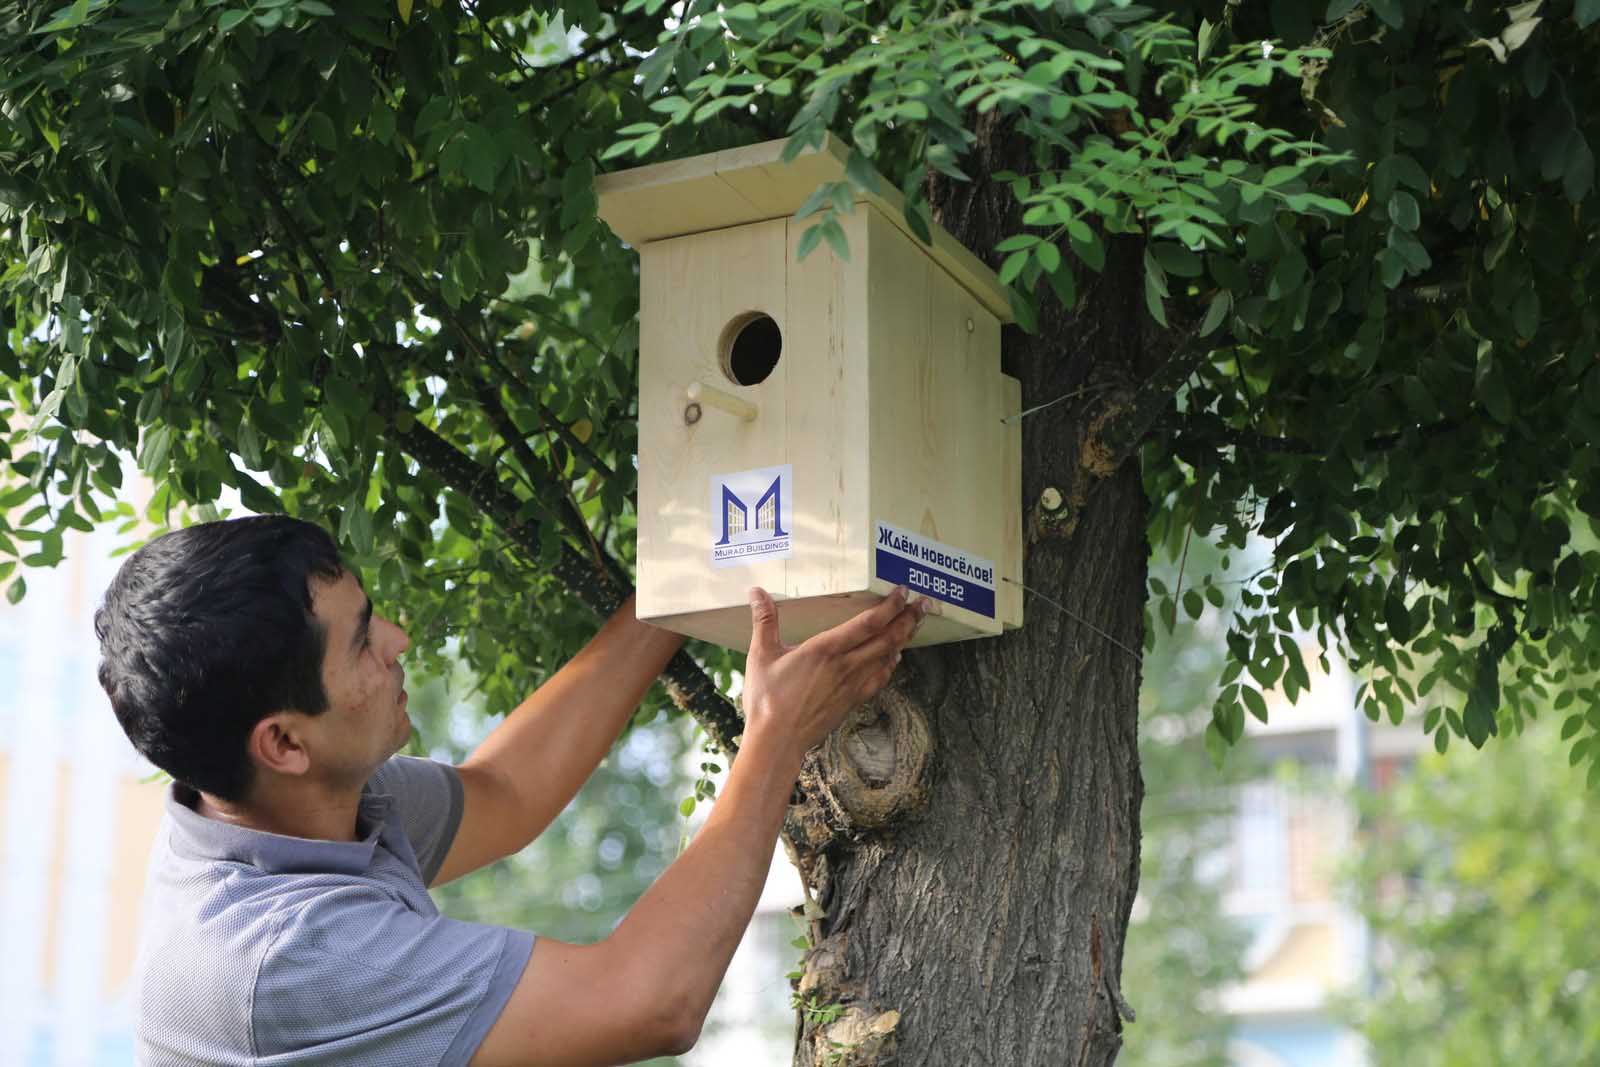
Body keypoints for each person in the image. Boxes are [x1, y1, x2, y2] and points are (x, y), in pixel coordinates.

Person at [94, 514, 924, 1066]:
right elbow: (652, 999)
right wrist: (774, 736)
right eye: (359, 644)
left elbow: (505, 790)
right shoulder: (275, 962)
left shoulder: (294, 803)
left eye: (372, 611)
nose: (397, 639)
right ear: (282, 741)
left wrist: (700, 562)